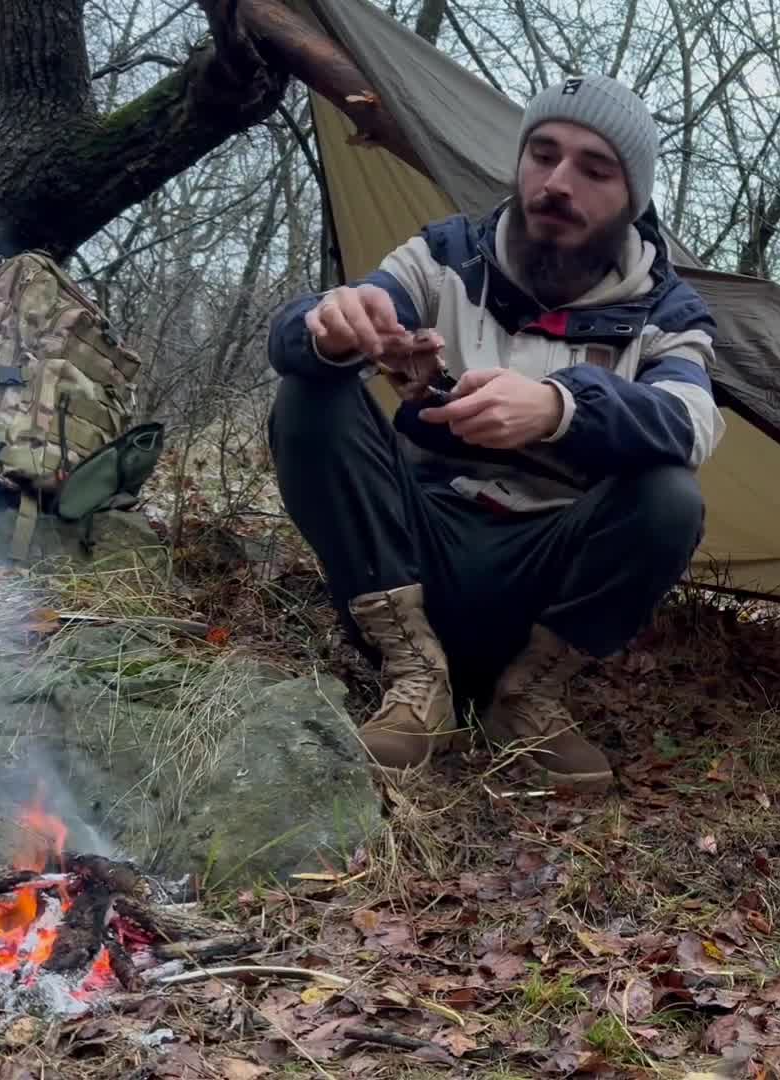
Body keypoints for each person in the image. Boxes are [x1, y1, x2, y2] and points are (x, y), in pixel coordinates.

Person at [263, 73, 724, 794]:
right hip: (410, 554)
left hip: (543, 579)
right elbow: (324, 321)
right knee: (311, 395)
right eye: (542, 155)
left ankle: (527, 698)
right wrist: (332, 324)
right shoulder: (448, 254)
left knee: (670, 494)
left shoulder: (668, 309)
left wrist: (559, 408)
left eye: (594, 169)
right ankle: (415, 678)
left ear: (631, 199)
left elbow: (691, 422)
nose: (557, 183)